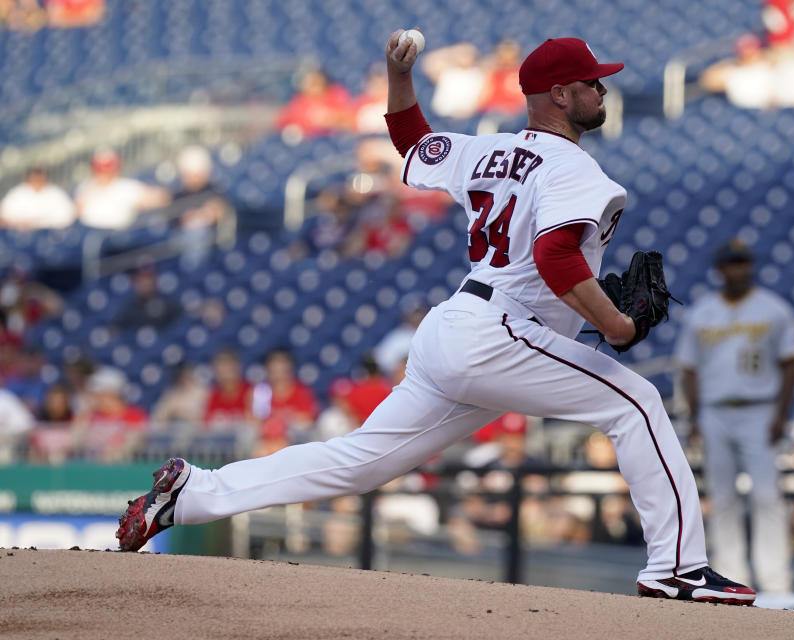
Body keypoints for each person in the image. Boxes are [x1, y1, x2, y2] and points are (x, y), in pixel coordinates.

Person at [117, 34, 756, 605]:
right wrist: (615, 325)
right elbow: (554, 253)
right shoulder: (576, 168)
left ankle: (193, 493)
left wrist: (399, 77)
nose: (603, 88)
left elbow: (413, 142)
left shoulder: (490, 151)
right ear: (559, 95)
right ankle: (678, 568)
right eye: (592, 81)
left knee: (361, 461)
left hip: (456, 328)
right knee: (637, 401)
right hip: (498, 336)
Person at [675, 239, 794, 595]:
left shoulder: (773, 309)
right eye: (732, 263)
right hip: (715, 411)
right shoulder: (702, 312)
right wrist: (695, 417)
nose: (739, 269)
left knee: (766, 495)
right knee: (723, 496)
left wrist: (781, 413)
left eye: (744, 262)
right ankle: (732, 574)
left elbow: (791, 364)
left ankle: (776, 582)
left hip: (759, 409)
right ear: (720, 269)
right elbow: (688, 370)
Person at [75, 149, 170, 230]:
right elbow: (76, 212)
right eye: (99, 168)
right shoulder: (86, 187)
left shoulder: (125, 186)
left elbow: (161, 197)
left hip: (118, 235)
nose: (103, 173)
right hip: (87, 232)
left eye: (107, 168)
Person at [0, 167, 75, 230]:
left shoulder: (55, 193)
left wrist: (38, 222)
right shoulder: (18, 193)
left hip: (49, 233)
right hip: (19, 233)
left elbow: (67, 216)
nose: (37, 181)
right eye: (34, 178)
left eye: (39, 179)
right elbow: (4, 216)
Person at [112, 264, 183, 331]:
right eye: (141, 279)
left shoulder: (168, 303)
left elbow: (180, 322)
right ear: (134, 283)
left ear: (155, 280)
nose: (145, 283)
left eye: (148, 278)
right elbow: (115, 328)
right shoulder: (129, 307)